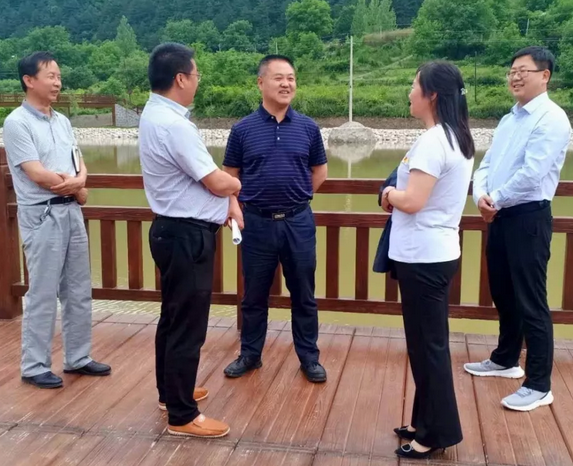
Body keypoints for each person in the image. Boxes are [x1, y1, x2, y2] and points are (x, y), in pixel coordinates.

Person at [139, 43, 242, 438]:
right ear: (180, 78)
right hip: (186, 235)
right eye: (196, 75)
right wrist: (234, 186)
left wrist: (225, 194)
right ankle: (182, 415)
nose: (198, 82)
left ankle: (171, 393)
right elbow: (215, 181)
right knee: (187, 325)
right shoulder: (174, 125)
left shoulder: (153, 114)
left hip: (170, 230)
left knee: (173, 317)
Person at [464, 46, 571, 412]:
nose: (515, 76)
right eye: (512, 71)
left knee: (531, 301)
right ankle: (505, 360)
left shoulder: (552, 119)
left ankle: (539, 384)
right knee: (503, 292)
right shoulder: (510, 119)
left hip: (527, 218)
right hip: (500, 216)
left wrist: (494, 199)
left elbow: (533, 173)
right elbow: (487, 164)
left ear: (545, 75)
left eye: (524, 70)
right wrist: (481, 196)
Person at [382, 61, 474, 459]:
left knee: (428, 347)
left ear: (431, 95)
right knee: (425, 345)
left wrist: (388, 194)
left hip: (423, 258)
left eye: (414, 85)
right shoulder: (455, 136)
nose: (409, 92)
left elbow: (413, 201)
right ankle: (424, 420)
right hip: (435, 253)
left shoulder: (435, 141)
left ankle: (436, 432)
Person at [2, 52, 111, 389]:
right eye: (50, 76)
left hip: (71, 210)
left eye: (59, 76)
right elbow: (35, 173)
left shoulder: (62, 120)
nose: (57, 82)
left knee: (78, 289)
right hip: (43, 214)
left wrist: (79, 182)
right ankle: (34, 365)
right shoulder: (17, 122)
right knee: (43, 292)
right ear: (29, 80)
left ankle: (78, 357)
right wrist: (76, 185)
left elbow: (79, 163)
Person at [222, 55, 328, 383]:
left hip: (298, 221)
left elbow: (320, 172)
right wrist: (235, 206)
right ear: (261, 83)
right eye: (279, 77)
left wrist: (296, 196)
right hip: (256, 223)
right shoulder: (242, 129)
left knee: (304, 294)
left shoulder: (308, 127)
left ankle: (309, 358)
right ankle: (250, 355)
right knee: (254, 295)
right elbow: (230, 176)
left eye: (291, 78)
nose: (286, 84)